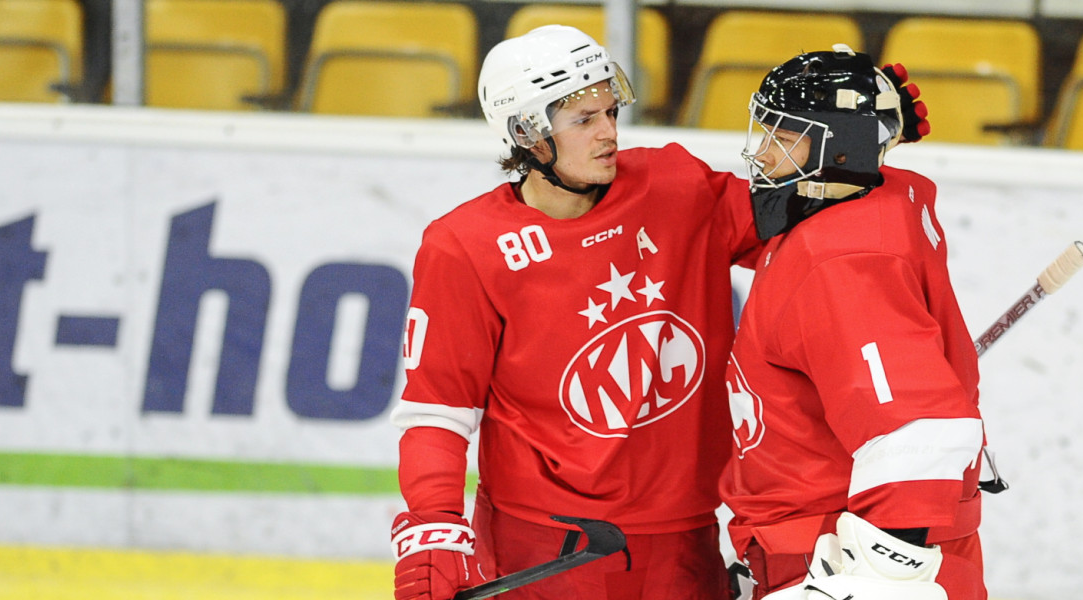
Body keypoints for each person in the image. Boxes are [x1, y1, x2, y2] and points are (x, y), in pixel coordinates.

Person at [386, 25, 767, 600]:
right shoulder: (466, 245)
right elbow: (438, 410)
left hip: (683, 536)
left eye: (610, 112)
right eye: (583, 119)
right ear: (528, 134)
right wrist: (433, 529)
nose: (610, 133)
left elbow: (801, 229)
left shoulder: (674, 185)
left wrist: (858, 157)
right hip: (542, 547)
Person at [717, 46, 985, 600]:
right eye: (765, 132)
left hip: (841, 557)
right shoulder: (865, 199)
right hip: (815, 539)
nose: (764, 153)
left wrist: (883, 576)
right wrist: (872, 120)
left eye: (784, 136)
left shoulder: (841, 260)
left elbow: (919, 432)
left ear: (837, 149)